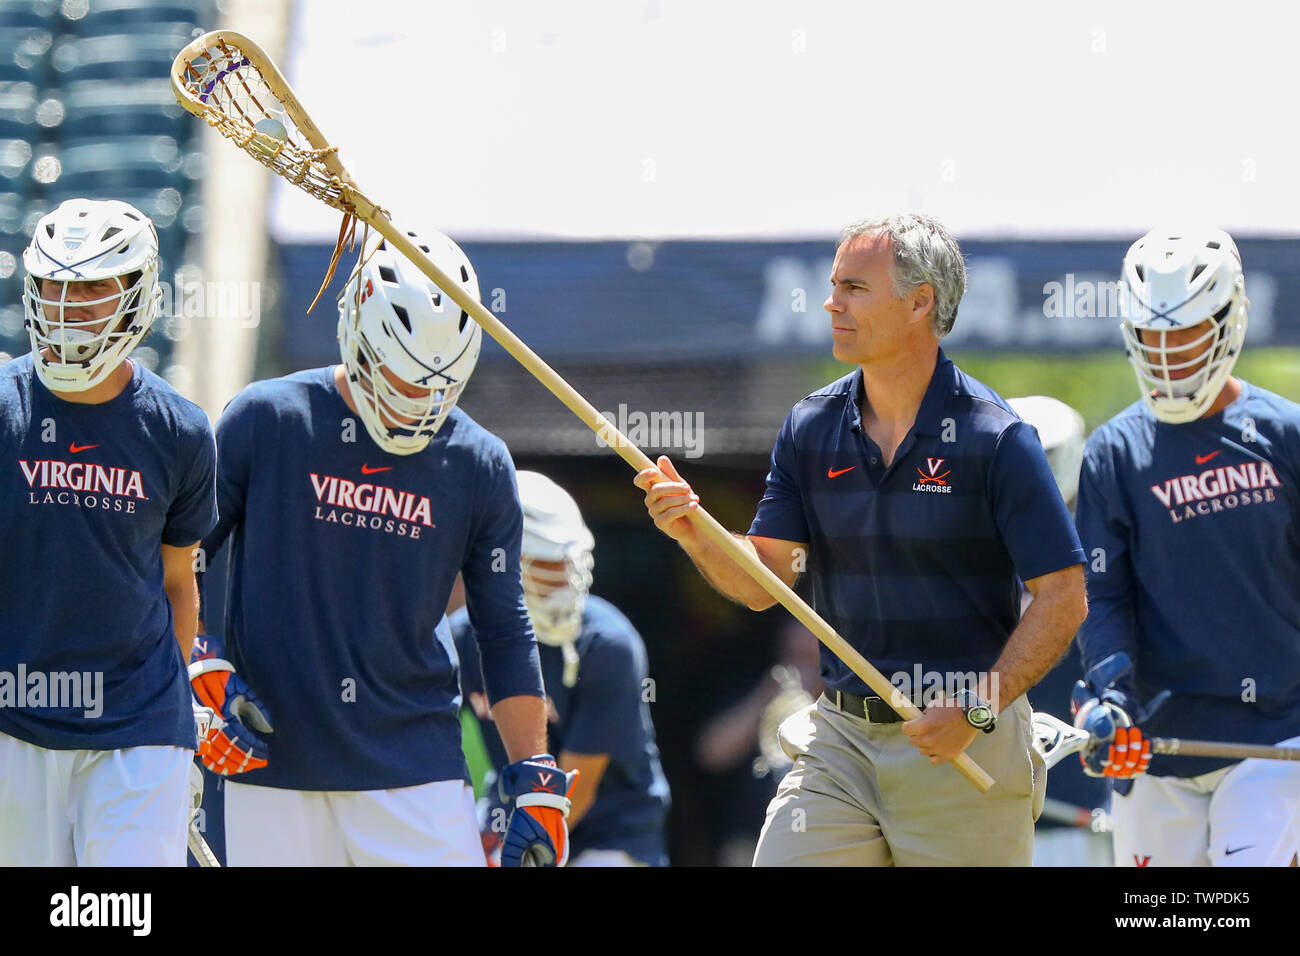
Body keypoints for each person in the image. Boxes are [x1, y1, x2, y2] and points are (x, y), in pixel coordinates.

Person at [635, 214, 1088, 866]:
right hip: (840, 738)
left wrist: (978, 710)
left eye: (854, 287)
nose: (831, 303)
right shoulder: (810, 426)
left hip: (964, 742)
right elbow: (767, 584)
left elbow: (1063, 599)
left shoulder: (996, 439)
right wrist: (697, 532)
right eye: (832, 285)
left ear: (919, 303)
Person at [193, 228, 572, 866]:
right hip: (268, 759)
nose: (418, 402)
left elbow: (505, 630)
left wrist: (537, 778)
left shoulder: (479, 463)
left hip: (414, 768)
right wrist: (202, 666)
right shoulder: (265, 419)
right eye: (402, 378)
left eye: (438, 384)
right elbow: (181, 562)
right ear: (356, 329)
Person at [1073, 226, 1300, 867]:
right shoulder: (1112, 454)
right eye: (1153, 334)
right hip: (1151, 748)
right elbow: (1101, 594)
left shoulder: (1286, 436)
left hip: (1275, 739)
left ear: (1229, 321)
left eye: (1186, 332)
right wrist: (1110, 697)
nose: (1168, 354)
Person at [0, 198, 216, 865]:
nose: (70, 303)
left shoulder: (180, 430)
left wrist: (178, 721)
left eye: (93, 284)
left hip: (139, 730)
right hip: (14, 722)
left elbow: (179, 584)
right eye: (56, 283)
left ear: (137, 295)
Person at [453, 470, 671, 866]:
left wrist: (503, 849)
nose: (560, 581)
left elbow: (578, 792)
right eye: (542, 565)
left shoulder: (607, 644)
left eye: (564, 564)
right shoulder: (462, 638)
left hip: (608, 833)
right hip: (511, 814)